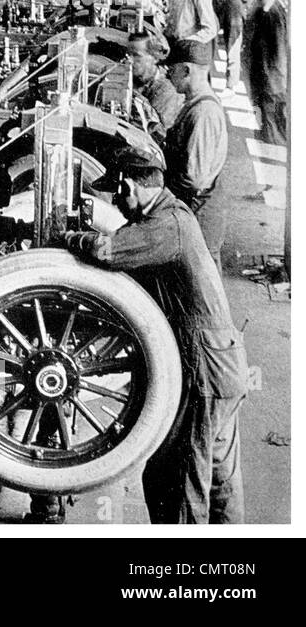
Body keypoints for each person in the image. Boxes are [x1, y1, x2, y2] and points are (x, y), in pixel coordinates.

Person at [64, 147, 247, 524]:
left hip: (203, 372)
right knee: (218, 482)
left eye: (116, 194)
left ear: (127, 185)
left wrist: (66, 237)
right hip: (223, 364)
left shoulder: (167, 225)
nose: (117, 202)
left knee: (176, 479)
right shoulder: (172, 217)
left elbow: (106, 250)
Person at [165, 40, 229, 270]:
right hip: (199, 204)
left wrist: (163, 193)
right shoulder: (195, 103)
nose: (168, 75)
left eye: (171, 70)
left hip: (200, 209)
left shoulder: (203, 112)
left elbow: (195, 178)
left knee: (202, 280)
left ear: (186, 70)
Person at [243, 0, 288, 148]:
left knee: (270, 103)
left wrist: (274, 71)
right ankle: (267, 134)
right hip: (262, 66)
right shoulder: (264, 11)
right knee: (263, 102)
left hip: (271, 69)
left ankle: (274, 137)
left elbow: (278, 48)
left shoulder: (275, 14)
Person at [127, 32, 182, 141]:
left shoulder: (165, 92)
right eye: (128, 54)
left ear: (154, 58)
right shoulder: (133, 80)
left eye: (136, 55)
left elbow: (158, 136)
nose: (129, 60)